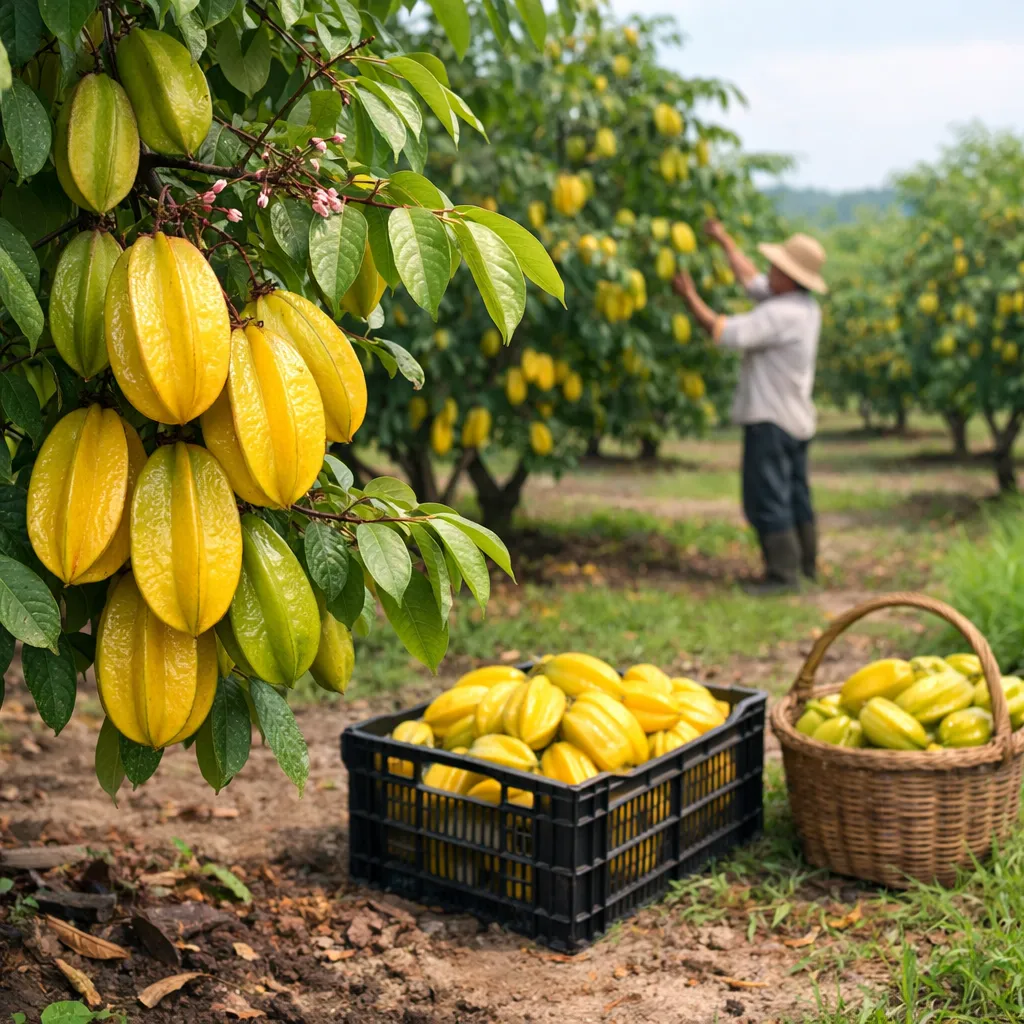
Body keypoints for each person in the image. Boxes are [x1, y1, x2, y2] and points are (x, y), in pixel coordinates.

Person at [672, 222, 827, 594]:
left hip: (770, 420)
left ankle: (782, 576)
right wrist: (725, 242)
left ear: (791, 278)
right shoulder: (802, 307)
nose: (768, 273)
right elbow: (750, 280)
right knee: (795, 495)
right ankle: (805, 567)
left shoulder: (780, 314)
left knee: (766, 497)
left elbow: (722, 331)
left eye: (776, 269)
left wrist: (688, 294)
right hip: (796, 420)